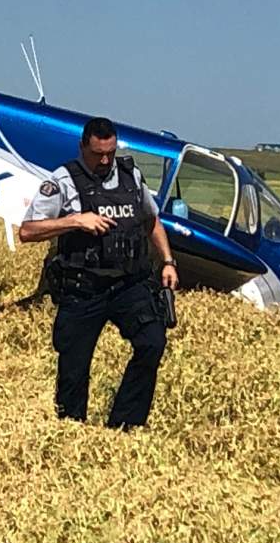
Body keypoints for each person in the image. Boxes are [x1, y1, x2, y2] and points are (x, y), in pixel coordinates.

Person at [19, 117, 179, 429]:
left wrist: (168, 261)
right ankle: (72, 433)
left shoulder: (131, 174)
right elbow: (27, 231)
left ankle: (124, 427)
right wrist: (75, 221)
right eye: (97, 154)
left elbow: (151, 220)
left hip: (128, 285)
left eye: (110, 152)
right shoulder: (62, 181)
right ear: (83, 147)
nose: (105, 160)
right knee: (74, 371)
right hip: (83, 289)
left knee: (152, 342)